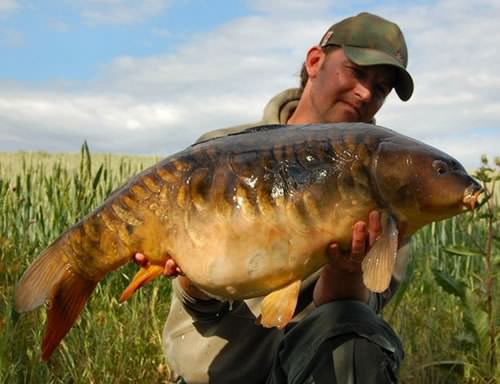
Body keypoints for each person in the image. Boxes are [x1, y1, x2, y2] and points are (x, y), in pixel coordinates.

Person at [135, 12, 414, 384]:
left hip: (306, 370)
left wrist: (346, 273)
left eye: (380, 88)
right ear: (315, 61)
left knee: (356, 330)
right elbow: (198, 308)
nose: (365, 93)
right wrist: (194, 278)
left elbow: (350, 321)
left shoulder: (388, 190)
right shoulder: (221, 153)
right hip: (220, 371)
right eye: (356, 72)